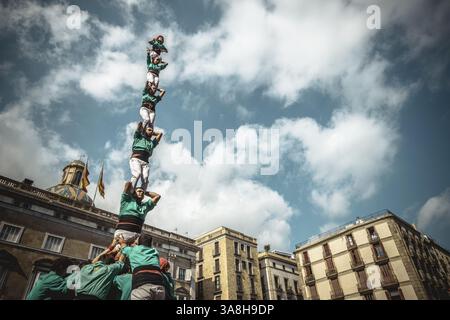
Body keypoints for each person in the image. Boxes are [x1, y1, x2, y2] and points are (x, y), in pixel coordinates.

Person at [118, 234, 165, 300]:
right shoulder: (155, 251)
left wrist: (122, 241)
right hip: (160, 286)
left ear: (138, 242)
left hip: (142, 284)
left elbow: (123, 247)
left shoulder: (132, 250)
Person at [114, 181, 161, 245]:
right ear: (133, 193)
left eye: (142, 192)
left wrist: (145, 191)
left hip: (136, 237)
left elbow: (157, 196)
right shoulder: (127, 201)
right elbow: (128, 184)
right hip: (122, 234)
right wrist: (134, 184)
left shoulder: (145, 206)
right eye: (139, 191)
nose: (141, 193)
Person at [129, 122, 163, 191]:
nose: (151, 131)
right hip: (136, 159)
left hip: (145, 162)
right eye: (149, 130)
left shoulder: (151, 143)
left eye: (152, 130)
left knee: (145, 179)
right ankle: (130, 191)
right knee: (137, 174)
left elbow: (160, 134)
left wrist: (151, 132)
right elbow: (139, 125)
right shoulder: (138, 137)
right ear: (144, 131)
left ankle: (141, 194)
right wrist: (145, 130)